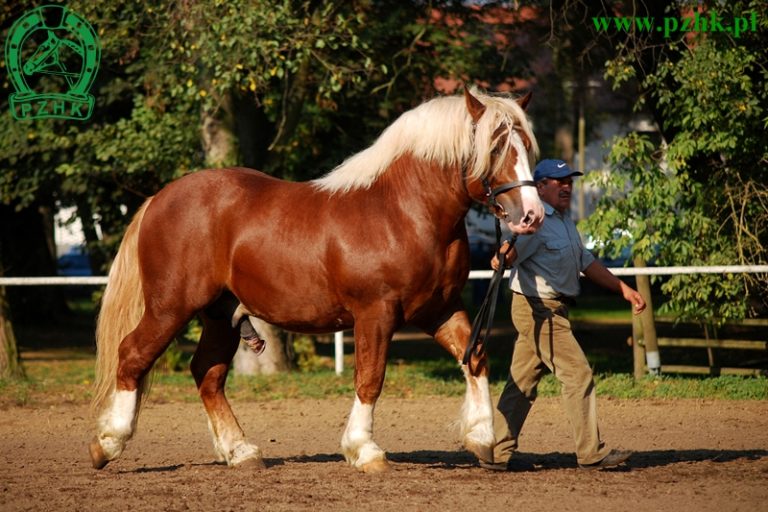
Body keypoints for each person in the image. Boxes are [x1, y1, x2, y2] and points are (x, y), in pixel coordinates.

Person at [482, 158, 647, 471]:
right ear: (540, 186)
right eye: (560, 182)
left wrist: (623, 289)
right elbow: (511, 252)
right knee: (577, 374)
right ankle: (591, 453)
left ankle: (495, 452)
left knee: (522, 381)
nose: (567, 187)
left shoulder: (563, 222)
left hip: (550, 309)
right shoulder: (535, 222)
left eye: (570, 181)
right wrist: (502, 256)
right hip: (539, 310)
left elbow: (586, 261)